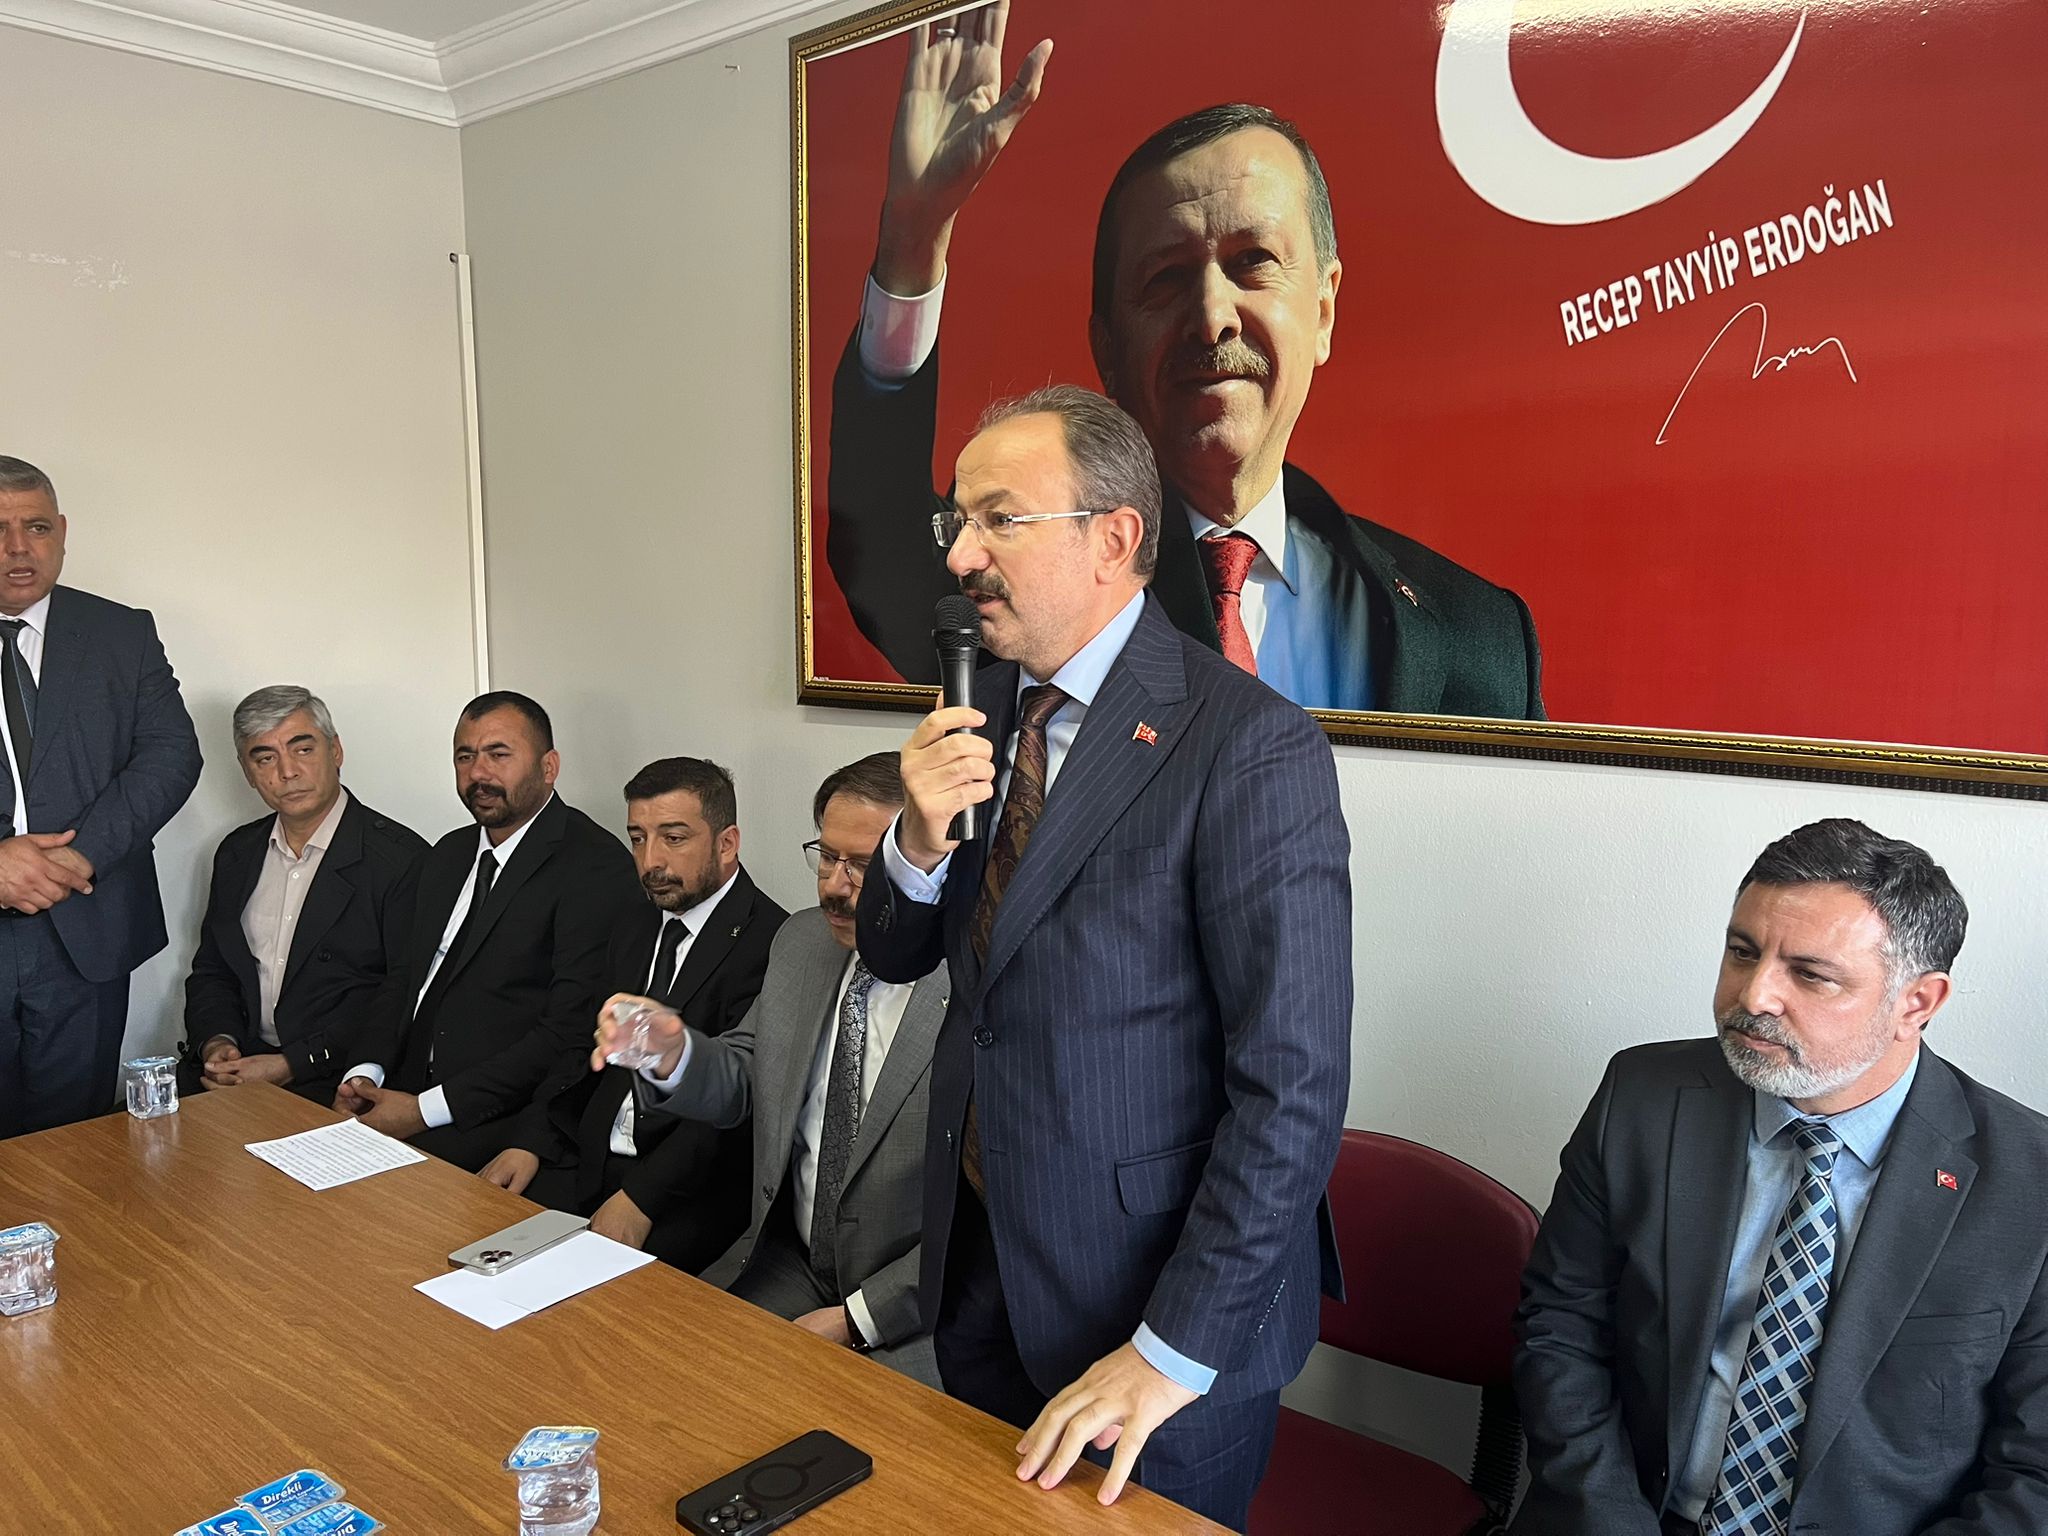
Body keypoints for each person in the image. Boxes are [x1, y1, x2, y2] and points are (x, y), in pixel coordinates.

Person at [850, 386, 1351, 1529]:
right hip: (981, 1267)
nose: (960, 555)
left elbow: (1291, 1087)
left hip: (1149, 1316)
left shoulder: (1247, 746)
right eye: (956, 522)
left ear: (1112, 539)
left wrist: (1168, 1353)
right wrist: (914, 838)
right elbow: (894, 952)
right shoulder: (977, 710)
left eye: (999, 519)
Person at [823, 4, 1543, 718]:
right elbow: (884, 545)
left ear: (1322, 311)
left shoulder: (1480, 635)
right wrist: (913, 238)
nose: (1212, 317)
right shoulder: (1035, 574)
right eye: (1166, 278)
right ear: (1108, 349)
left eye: (1252, 261)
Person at [1514, 819, 2048, 1536]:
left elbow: (2036, 1470)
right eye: (1743, 952)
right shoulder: (1642, 1096)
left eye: (1810, 974)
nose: (1754, 995)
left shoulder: (2029, 1181)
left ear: (1916, 1003)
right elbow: (1560, 1326)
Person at [590, 753, 950, 1386]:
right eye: (827, 857)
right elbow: (744, 1079)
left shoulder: (970, 984)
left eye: (863, 865)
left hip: (917, 1303)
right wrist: (675, 1055)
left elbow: (985, 1220)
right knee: (661, 1378)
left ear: (926, 863)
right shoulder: (803, 943)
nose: (834, 885)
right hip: (792, 1262)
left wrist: (857, 1319)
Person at [479, 757, 785, 1275]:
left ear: (727, 843)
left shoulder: (771, 942)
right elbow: (581, 1041)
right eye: (638, 838)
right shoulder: (634, 917)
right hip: (589, 1155)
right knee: (478, 1240)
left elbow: (737, 1106)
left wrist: (641, 1199)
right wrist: (532, 1140)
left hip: (687, 1189)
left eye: (673, 838)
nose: (650, 862)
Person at [333, 692, 639, 1171]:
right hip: (398, 1093)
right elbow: (404, 978)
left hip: (493, 1119)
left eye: (499, 754)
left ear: (549, 767)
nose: (478, 773)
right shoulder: (447, 854)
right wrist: (363, 1074)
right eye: (465, 756)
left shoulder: (595, 865)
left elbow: (569, 1031)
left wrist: (423, 1111)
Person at [0, 455, 202, 1137]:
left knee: (75, 1148)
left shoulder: (121, 633)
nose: (18, 548)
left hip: (85, 927)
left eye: (35, 527)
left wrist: (81, 855)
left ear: (61, 532)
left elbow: (171, 756)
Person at [183, 686, 426, 1105]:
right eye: (265, 758)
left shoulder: (401, 859)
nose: (287, 772)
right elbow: (213, 969)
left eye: (303, 749)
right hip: (241, 1066)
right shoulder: (237, 852)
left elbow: (403, 996)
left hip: (337, 1076)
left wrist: (292, 1063)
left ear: (336, 751)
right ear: (247, 772)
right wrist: (218, 1042)